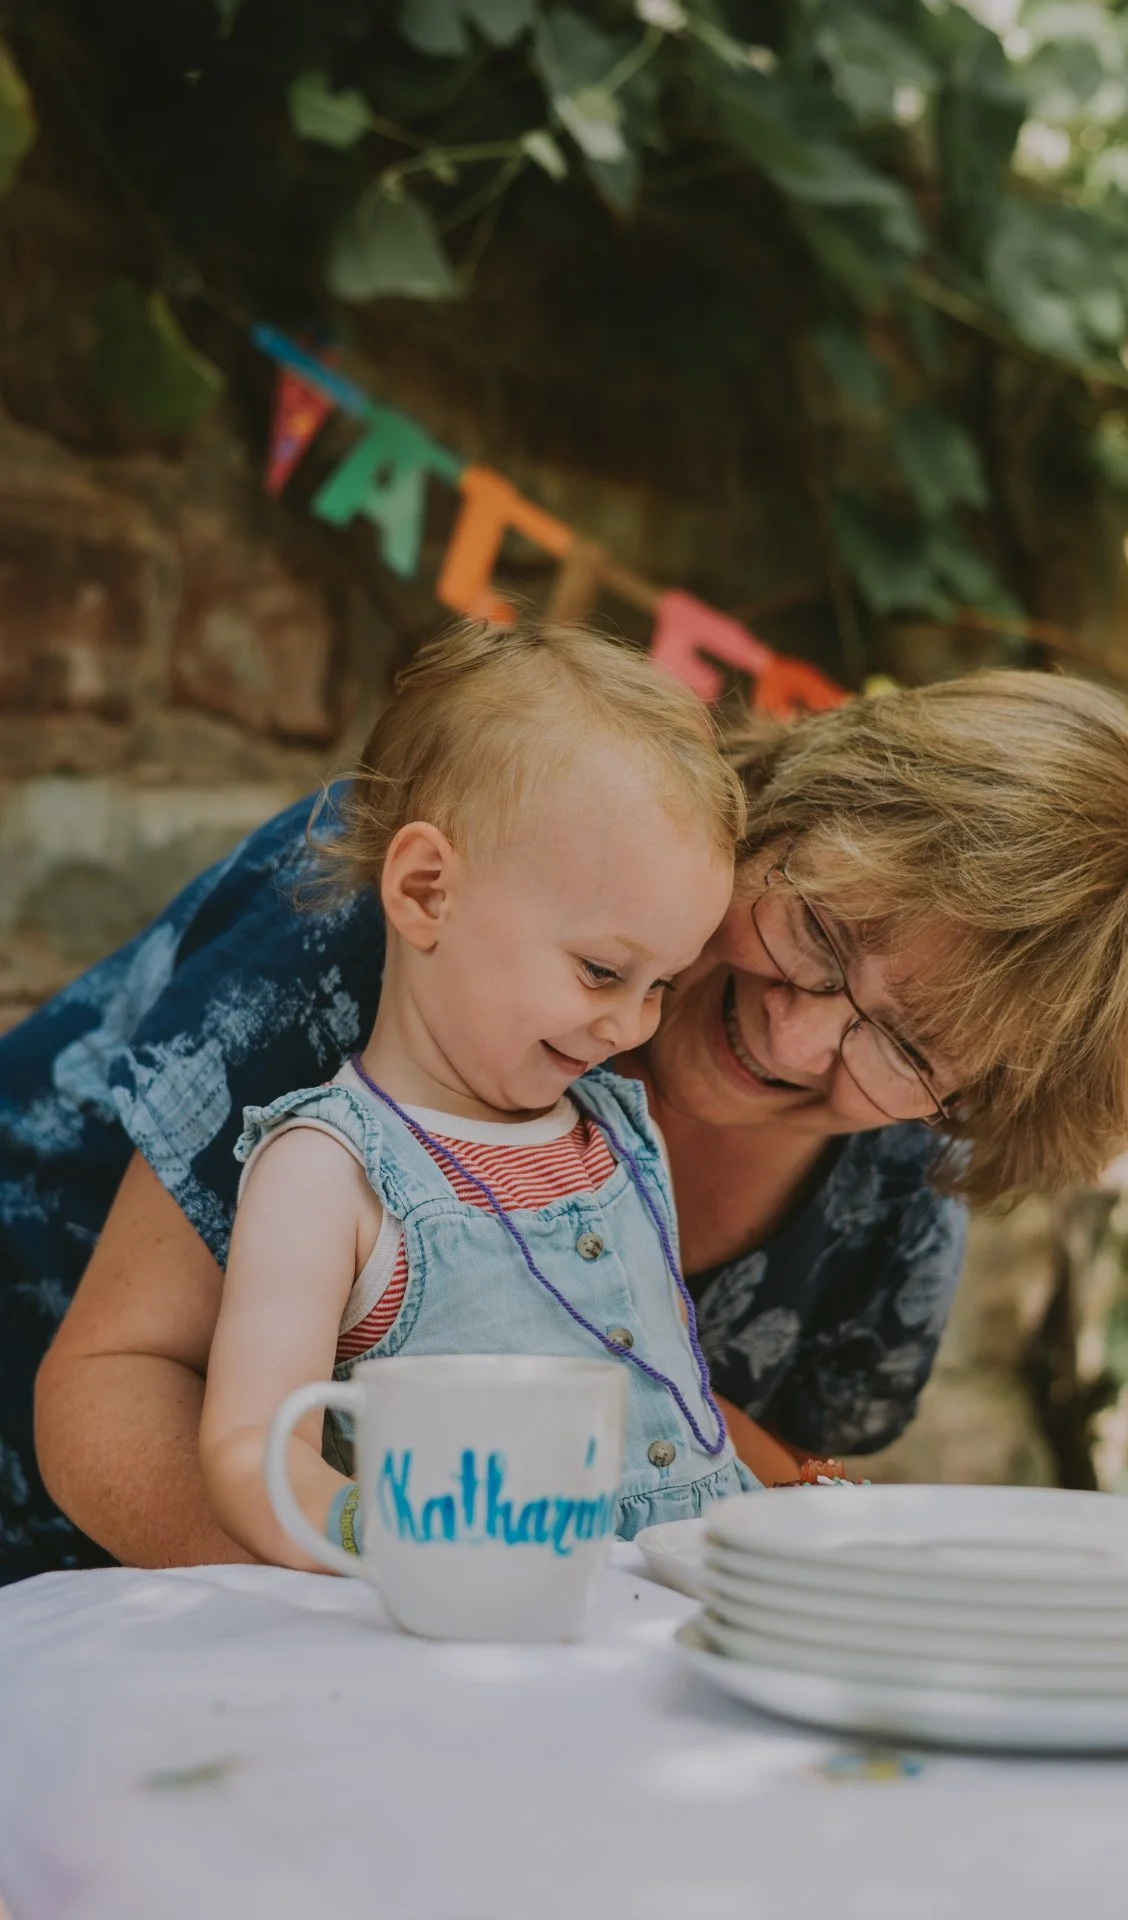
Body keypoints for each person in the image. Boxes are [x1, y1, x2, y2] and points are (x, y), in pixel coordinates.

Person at [5, 664, 1128, 1582]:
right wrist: (409, 1637)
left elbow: (680, 1444)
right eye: (819, 934)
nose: (795, 1042)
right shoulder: (457, 900)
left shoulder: (890, 1189)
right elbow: (111, 1387)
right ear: (791, 813)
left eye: (908, 1049)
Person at [195, 619, 753, 1564]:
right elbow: (253, 1446)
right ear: (425, 893)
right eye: (601, 970)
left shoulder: (617, 1128)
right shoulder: (331, 1173)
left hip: (686, 1607)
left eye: (660, 985)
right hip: (492, 1629)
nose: (631, 1027)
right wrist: (394, 1538)